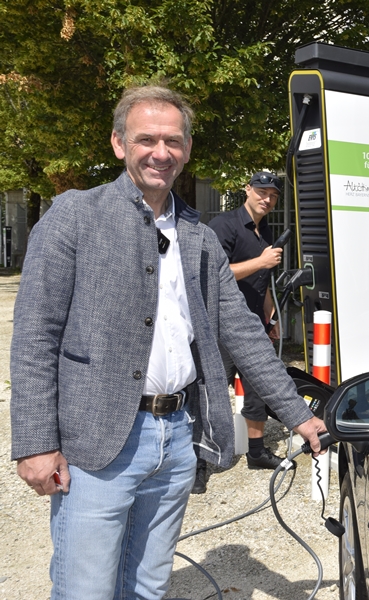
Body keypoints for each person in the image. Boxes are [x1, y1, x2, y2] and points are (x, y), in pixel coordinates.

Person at [10, 84, 327, 600]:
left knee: (149, 587)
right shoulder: (74, 216)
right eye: (146, 139)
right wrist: (36, 444)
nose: (161, 152)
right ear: (119, 144)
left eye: (173, 141)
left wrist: (298, 413)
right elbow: (34, 338)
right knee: (85, 589)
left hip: (177, 439)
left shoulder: (199, 237)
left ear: (187, 149)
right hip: (97, 441)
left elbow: (242, 330)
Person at [202, 172, 289, 491]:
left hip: (253, 324)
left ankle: (256, 452)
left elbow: (262, 281)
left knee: (256, 391)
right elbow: (213, 273)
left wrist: (270, 317)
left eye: (273, 196)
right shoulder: (224, 226)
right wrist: (261, 261)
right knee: (211, 395)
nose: (267, 199)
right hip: (221, 325)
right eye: (262, 192)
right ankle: (202, 462)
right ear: (247, 190)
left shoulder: (265, 231)